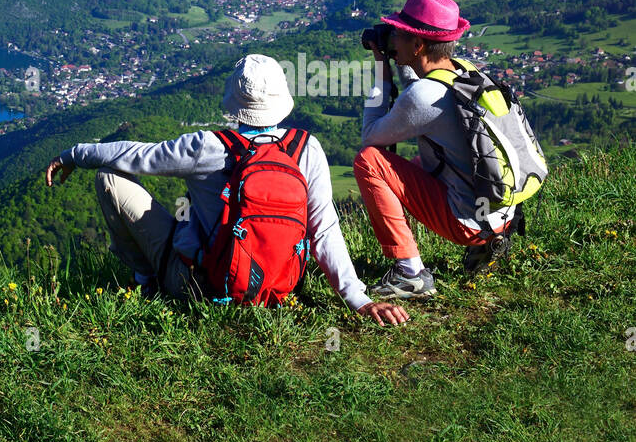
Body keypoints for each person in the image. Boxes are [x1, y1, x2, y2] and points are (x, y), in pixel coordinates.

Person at [44, 53, 408, 326]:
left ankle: (145, 280)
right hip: (278, 288)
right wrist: (358, 299)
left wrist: (74, 154)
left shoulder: (208, 146)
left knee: (109, 177)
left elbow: (136, 156)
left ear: (235, 102)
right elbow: (324, 228)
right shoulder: (305, 148)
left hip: (201, 286)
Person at [355, 0, 515, 300]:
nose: (392, 39)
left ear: (418, 44)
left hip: (468, 222)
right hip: (500, 212)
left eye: (399, 34)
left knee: (369, 161)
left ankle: (410, 273)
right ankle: (488, 244)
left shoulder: (425, 96)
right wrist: (399, 57)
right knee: (413, 167)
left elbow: (371, 136)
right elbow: (420, 91)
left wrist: (380, 72)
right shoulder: (465, 71)